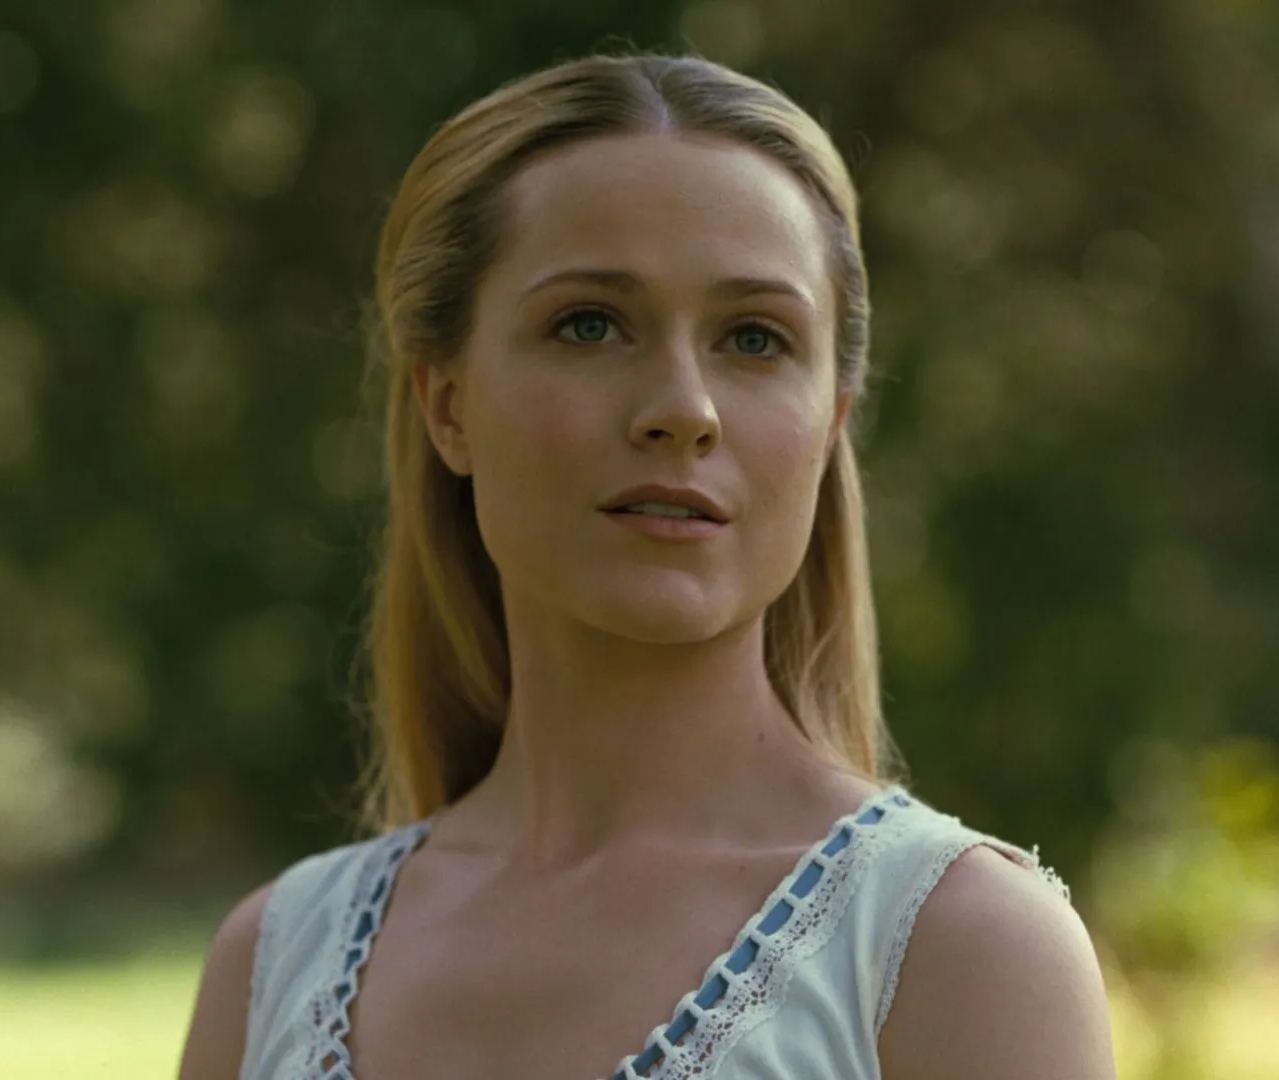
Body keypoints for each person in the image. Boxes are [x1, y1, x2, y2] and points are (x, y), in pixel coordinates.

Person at [178, 49, 1115, 1080]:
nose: (682, 409)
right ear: (446, 405)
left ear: (829, 423)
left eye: (753, 339)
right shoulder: (273, 967)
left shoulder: (956, 950)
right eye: (589, 325)